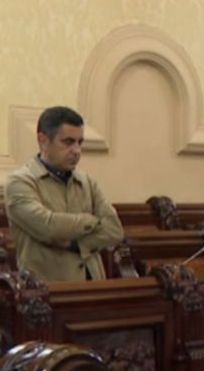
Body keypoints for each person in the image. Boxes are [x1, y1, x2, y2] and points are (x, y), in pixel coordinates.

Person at [3, 106, 123, 281]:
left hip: (94, 287)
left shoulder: (87, 182)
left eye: (79, 142)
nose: (76, 151)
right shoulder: (20, 182)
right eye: (68, 142)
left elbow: (114, 230)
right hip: (46, 294)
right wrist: (91, 221)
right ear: (43, 141)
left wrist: (78, 245)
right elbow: (48, 227)